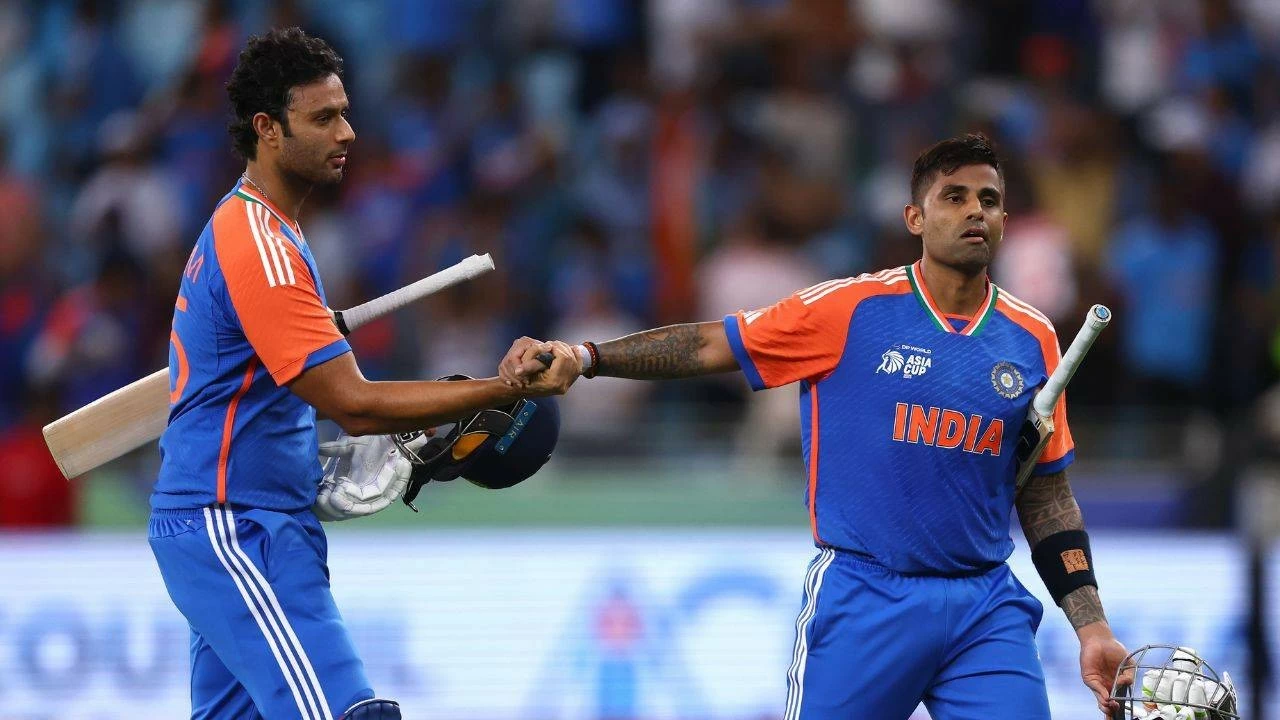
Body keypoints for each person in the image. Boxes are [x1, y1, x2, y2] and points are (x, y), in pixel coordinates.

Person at [503, 134, 1131, 718]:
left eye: (989, 200)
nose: (975, 212)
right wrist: (585, 358)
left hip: (985, 606)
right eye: (954, 196)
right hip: (867, 598)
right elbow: (705, 346)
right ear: (915, 219)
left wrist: (1092, 626)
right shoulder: (846, 311)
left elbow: (1046, 494)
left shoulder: (1034, 339)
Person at [148, 28, 577, 720]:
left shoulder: (267, 231)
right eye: (322, 118)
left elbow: (277, 403)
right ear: (268, 129)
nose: (346, 132)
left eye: (345, 112)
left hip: (250, 521)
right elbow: (354, 404)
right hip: (236, 528)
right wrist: (503, 390)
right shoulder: (260, 244)